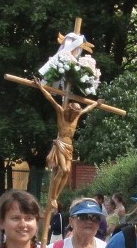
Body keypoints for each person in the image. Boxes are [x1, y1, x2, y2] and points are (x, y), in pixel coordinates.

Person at [35, 80, 101, 209]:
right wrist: (40, 87)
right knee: (63, 169)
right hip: (60, 144)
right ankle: (53, 197)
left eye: (76, 114)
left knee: (68, 171)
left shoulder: (76, 117)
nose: (74, 116)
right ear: (69, 111)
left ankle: (56, 196)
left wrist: (96, 103)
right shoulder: (61, 113)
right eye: (73, 113)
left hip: (69, 147)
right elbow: (51, 100)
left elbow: (86, 110)